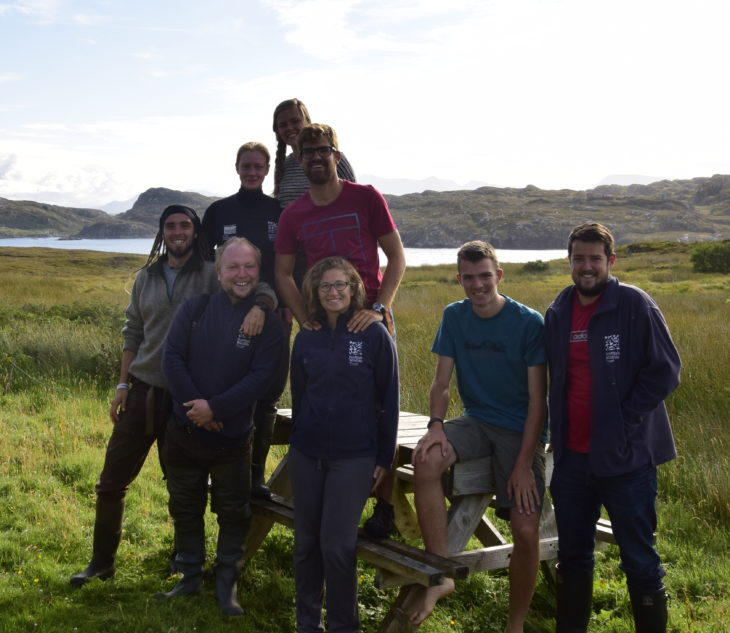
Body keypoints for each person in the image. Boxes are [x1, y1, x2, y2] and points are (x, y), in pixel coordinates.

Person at [69, 205, 275, 588]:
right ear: (162, 232)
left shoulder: (211, 273)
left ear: (196, 232)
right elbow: (132, 332)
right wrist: (121, 385)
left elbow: (252, 284)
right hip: (144, 391)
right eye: (170, 226)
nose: (178, 232)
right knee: (112, 480)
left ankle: (182, 561)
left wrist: (263, 306)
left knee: (182, 485)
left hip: (190, 397)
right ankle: (101, 562)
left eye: (185, 226)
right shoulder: (145, 277)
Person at [544, 223, 681, 633]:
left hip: (628, 459)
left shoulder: (635, 305)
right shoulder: (559, 311)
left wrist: (623, 423)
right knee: (573, 557)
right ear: (569, 261)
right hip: (571, 461)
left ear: (610, 261)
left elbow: (666, 371)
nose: (587, 267)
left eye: (595, 259)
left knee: (639, 559)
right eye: (579, 258)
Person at [274, 122, 406, 538]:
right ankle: (330, 487)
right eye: (307, 152)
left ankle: (383, 506)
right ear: (299, 159)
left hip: (368, 317)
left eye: (323, 150)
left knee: (382, 406)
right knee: (320, 399)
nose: (315, 157)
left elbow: (397, 258)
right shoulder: (294, 213)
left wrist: (380, 308)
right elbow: (282, 273)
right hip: (324, 321)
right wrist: (303, 316)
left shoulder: (365, 198)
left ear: (336, 154)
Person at [410, 241, 547, 633]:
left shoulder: (528, 323)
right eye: (468, 278)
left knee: (524, 529)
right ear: (459, 279)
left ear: (499, 275)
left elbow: (539, 402)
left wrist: (523, 464)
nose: (477, 285)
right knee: (426, 459)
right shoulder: (454, 316)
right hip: (476, 421)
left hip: (521, 429)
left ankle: (514, 625)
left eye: (485, 276)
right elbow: (441, 382)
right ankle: (441, 576)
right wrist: (436, 424)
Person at [157, 237, 284, 615]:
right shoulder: (194, 308)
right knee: (185, 506)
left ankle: (226, 582)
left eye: (249, 267)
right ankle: (189, 574)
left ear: (258, 272)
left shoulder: (269, 323)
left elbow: (260, 380)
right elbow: (171, 360)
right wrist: (196, 407)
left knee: (233, 511)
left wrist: (214, 408)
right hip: (184, 432)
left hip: (231, 438)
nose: (241, 274)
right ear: (219, 270)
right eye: (233, 267)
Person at [288, 256, 399, 632]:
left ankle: (343, 626)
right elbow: (300, 397)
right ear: (315, 294)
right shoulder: (306, 336)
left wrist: (385, 456)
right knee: (305, 543)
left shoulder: (373, 334)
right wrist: (298, 443)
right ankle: (307, 623)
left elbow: (390, 399)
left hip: (354, 456)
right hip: (307, 453)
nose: (333, 292)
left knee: (336, 545)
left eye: (340, 285)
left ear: (353, 288)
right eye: (325, 286)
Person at [202, 141, 288, 499]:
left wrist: (280, 305)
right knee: (225, 389)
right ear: (236, 168)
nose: (252, 172)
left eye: (258, 166)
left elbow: (289, 264)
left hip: (274, 312)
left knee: (266, 398)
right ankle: (221, 472)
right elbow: (205, 267)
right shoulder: (219, 212)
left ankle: (255, 478)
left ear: (267, 170)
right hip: (225, 315)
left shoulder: (280, 211)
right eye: (246, 165)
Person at [272, 98, 356, 208]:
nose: (290, 128)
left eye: (295, 121)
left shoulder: (331, 157)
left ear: (307, 122)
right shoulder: (283, 165)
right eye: (283, 125)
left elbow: (354, 198)